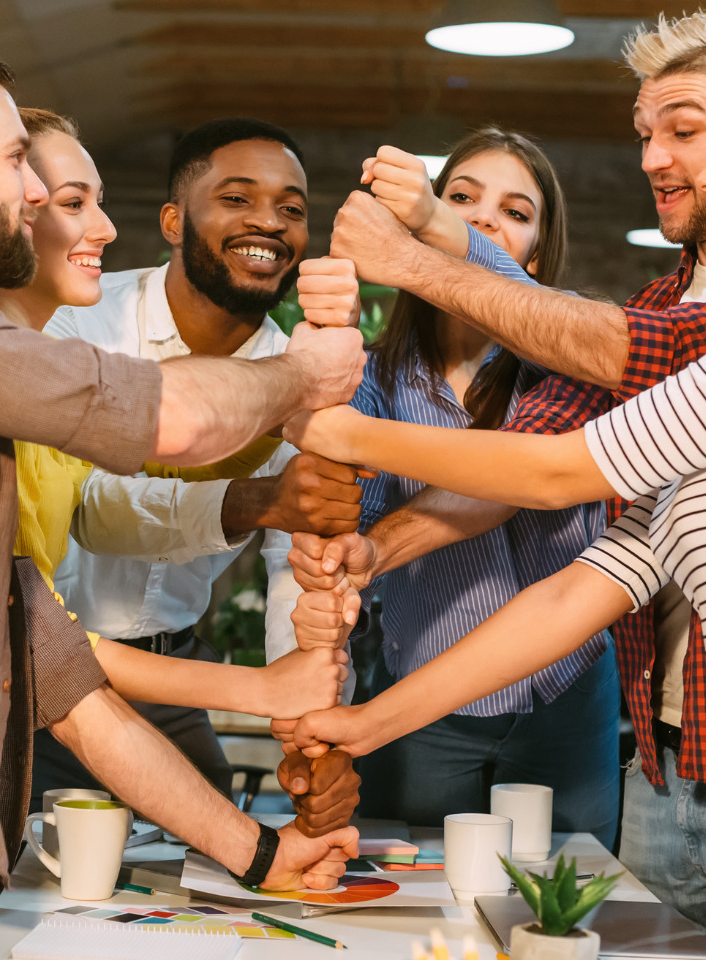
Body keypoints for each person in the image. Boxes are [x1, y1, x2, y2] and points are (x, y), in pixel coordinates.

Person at [282, 8, 706, 926]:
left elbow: (548, 473)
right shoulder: (661, 308)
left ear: (540, 247)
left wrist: (419, 244)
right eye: (645, 134)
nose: (652, 160)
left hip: (571, 703)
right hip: (648, 748)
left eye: (684, 130)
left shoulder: (622, 344)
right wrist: (361, 682)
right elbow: (584, 573)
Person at [0, 50, 361, 957]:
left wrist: (264, 846)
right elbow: (167, 419)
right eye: (24, 169)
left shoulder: (14, 390)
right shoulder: (31, 340)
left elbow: (55, 656)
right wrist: (303, 378)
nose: (99, 224)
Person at [281, 352, 706, 925]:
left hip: (578, 702)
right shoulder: (685, 403)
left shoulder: (621, 357)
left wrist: (353, 436)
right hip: (675, 777)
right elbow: (570, 599)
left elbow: (550, 473)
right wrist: (368, 723)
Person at [0, 106, 348, 738]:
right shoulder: (64, 321)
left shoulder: (295, 362)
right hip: (43, 673)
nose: (269, 221)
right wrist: (262, 492)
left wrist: (306, 725)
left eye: (291, 208)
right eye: (236, 198)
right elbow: (104, 497)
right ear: (174, 222)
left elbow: (295, 565)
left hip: (160, 665)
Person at [296, 130, 619, 840]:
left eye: (514, 212)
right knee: (416, 887)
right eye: (462, 199)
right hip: (423, 699)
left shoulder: (569, 357)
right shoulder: (378, 376)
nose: (482, 220)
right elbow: (346, 515)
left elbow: (520, 477)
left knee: (570, 884)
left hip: (566, 693)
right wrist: (328, 334)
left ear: (534, 256)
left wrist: (436, 225)